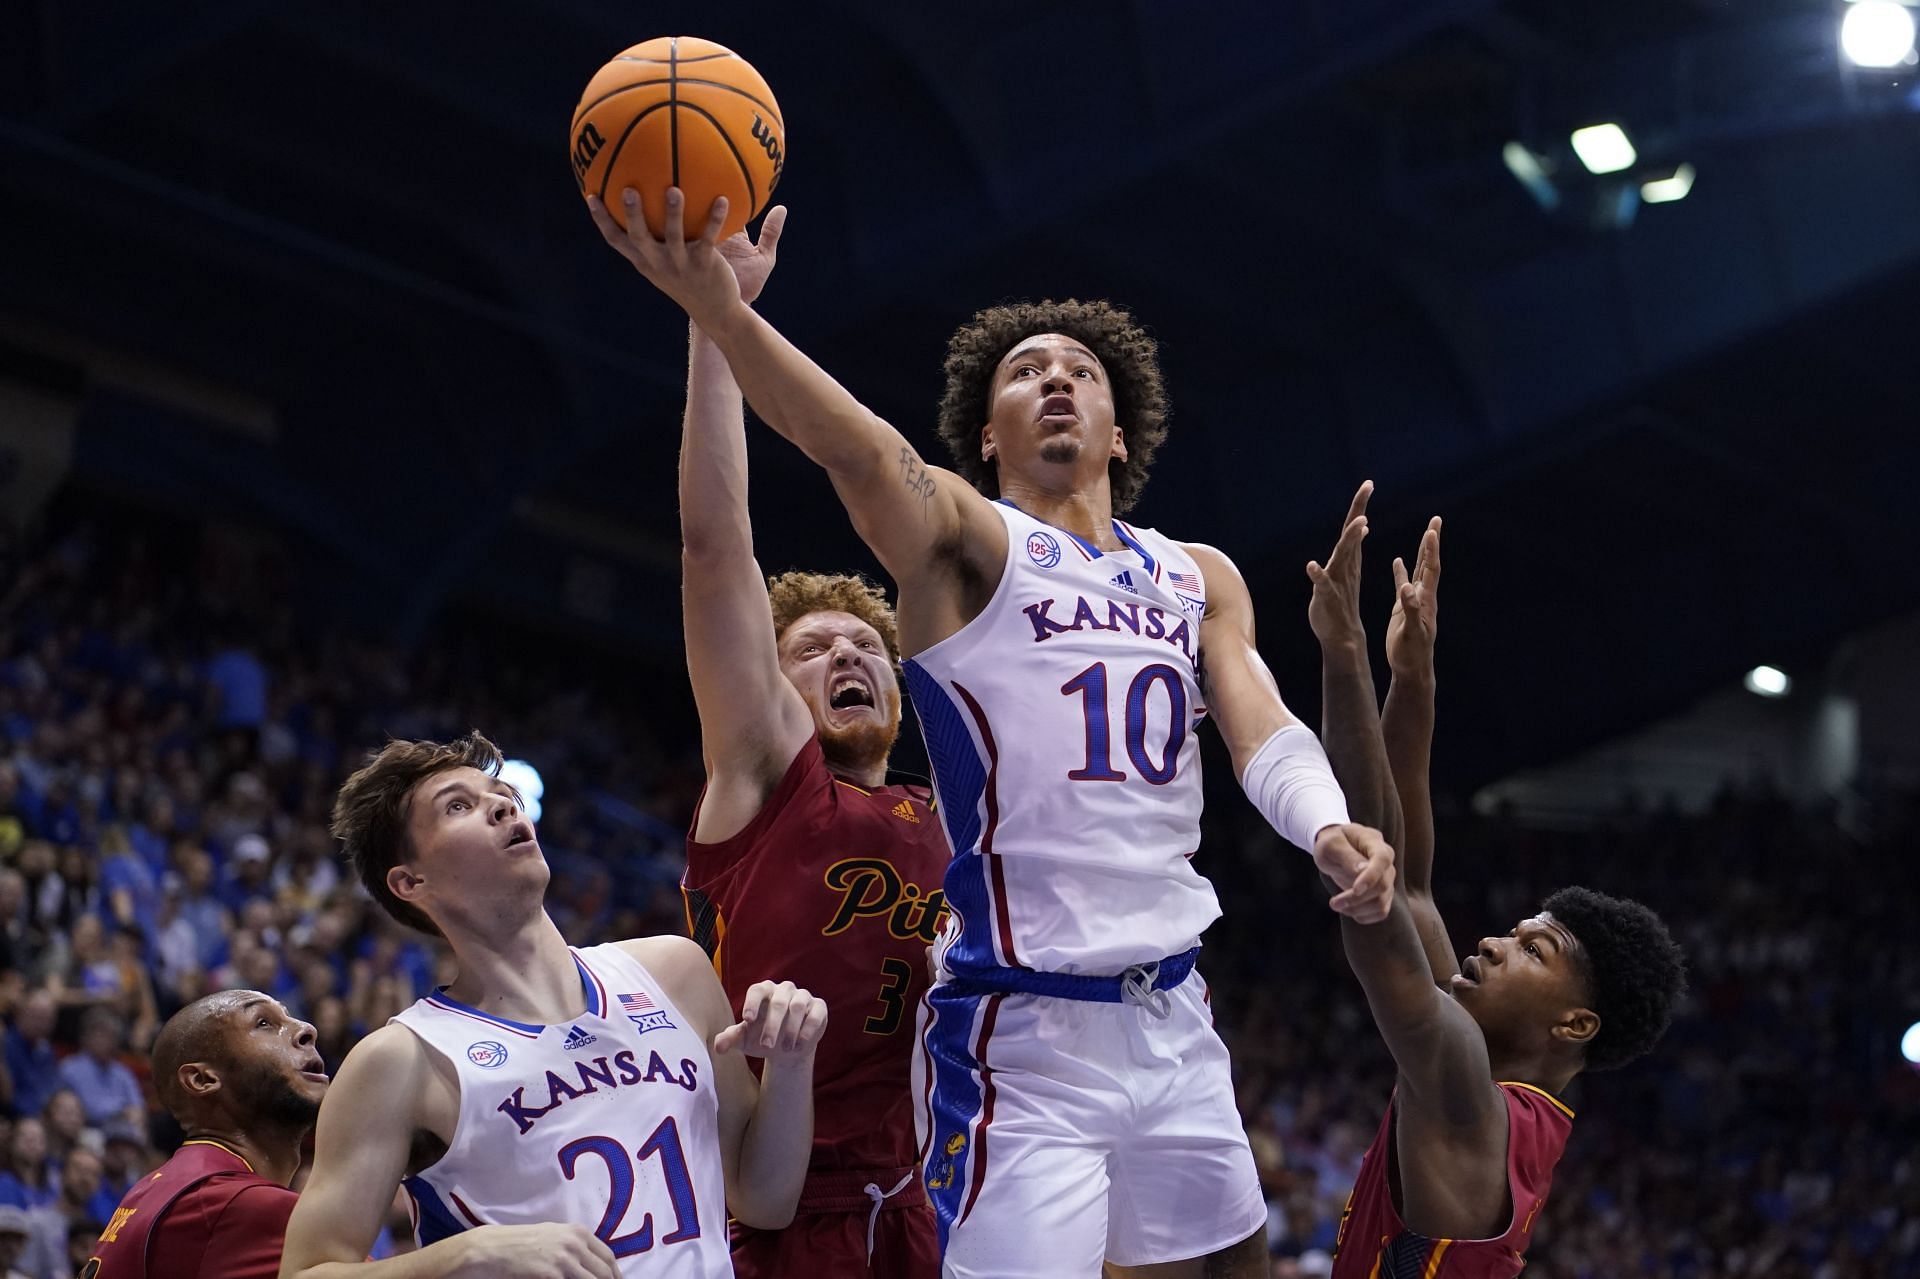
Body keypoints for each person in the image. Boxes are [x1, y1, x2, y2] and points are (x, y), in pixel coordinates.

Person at [592, 190, 1396, 1278]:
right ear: (985, 434)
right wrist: (723, 316)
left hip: (1174, 1004)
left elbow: (1254, 714)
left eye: (1080, 369)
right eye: (1025, 370)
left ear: (1120, 429)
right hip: (1025, 1034)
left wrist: (1328, 825)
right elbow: (861, 453)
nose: (1055, 376)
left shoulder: (1195, 572)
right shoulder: (972, 548)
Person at [1299, 484, 1687, 1277]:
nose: (1490, 941)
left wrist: (1343, 656)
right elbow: (1407, 889)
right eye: (1517, 933)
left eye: (1533, 950)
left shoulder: (1466, 1098)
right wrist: (1414, 679)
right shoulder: (1501, 1094)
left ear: (1575, 1024)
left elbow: (1375, 902)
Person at [279, 733, 828, 1279]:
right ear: (410, 881)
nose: (500, 805)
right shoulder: (403, 1059)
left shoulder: (676, 970)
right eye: (458, 806)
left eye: (501, 794)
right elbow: (305, 1272)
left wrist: (792, 1061)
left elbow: (764, 1201)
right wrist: (465, 1254)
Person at [676, 208, 945, 1275]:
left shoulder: (952, 810)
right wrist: (716, 318)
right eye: (812, 647)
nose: (849, 654)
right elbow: (714, 547)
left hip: (929, 1192)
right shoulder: (765, 781)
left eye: (867, 644)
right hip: (774, 1197)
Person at [77, 989, 330, 1279]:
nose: (307, 1029)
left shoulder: (155, 1189)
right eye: (263, 1023)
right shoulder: (232, 1203)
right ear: (202, 1079)